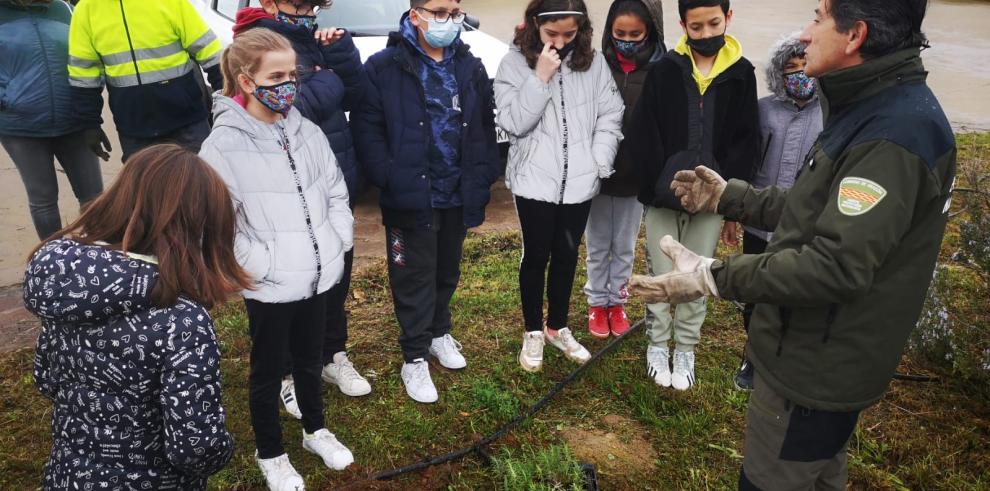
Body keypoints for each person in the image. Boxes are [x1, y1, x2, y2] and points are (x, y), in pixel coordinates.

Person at [629, 0, 954, 488]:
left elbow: (834, 267)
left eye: (819, 17)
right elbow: (819, 205)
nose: (804, 34)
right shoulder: (874, 107)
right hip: (818, 356)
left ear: (855, 36)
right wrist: (732, 196)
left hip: (814, 368)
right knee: (821, 474)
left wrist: (713, 276)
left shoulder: (892, 137)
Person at [25, 144, 249, 490]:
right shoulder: (182, 322)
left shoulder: (67, 285)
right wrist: (222, 450)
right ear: (197, 228)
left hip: (67, 475)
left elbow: (45, 377)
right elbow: (195, 448)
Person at [199, 29, 355, 489]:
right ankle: (271, 452)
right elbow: (219, 228)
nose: (289, 84)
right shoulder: (222, 147)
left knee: (310, 358)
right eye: (277, 76)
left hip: (317, 273)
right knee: (268, 370)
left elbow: (334, 188)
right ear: (246, 82)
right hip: (269, 283)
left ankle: (315, 429)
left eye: (293, 74)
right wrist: (262, 265)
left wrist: (336, 238)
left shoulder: (304, 128)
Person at [351, 0, 500, 404]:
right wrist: (387, 175)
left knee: (446, 269)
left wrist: (484, 171)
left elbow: (486, 122)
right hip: (411, 192)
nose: (448, 19)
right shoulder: (384, 67)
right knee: (413, 276)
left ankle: (438, 332)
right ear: (415, 14)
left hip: (457, 189)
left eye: (454, 11)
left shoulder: (469, 65)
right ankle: (413, 355)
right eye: (438, 10)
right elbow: (366, 126)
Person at [233, 0, 372, 417]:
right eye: (298, 3)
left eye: (315, 4)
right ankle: (287, 374)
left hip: (330, 183)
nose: (307, 10)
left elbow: (358, 93)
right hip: (282, 192)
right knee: (289, 289)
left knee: (335, 281)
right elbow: (289, 109)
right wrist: (327, 80)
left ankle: (333, 356)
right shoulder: (255, 42)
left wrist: (340, 56)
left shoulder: (315, 41)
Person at [626, 0, 759, 391]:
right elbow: (644, 131)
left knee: (698, 273)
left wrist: (732, 201)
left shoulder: (742, 74)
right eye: (696, 27)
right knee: (661, 269)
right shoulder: (664, 70)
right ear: (683, 24)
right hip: (663, 196)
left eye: (713, 24)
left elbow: (746, 140)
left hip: (712, 202)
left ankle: (684, 348)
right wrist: (653, 186)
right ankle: (656, 343)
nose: (705, 34)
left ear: (728, 19)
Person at [495, 0, 625, 373]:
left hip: (580, 181)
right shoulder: (513, 64)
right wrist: (539, 77)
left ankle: (558, 326)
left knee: (568, 255)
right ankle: (533, 330)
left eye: (570, 34)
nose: (562, 42)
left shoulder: (593, 61)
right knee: (536, 255)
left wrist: (598, 160)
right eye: (553, 34)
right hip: (534, 181)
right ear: (534, 24)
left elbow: (611, 114)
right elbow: (513, 122)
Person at [734, 32, 823, 391]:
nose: (800, 75)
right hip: (759, 224)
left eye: (806, 67)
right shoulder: (764, 110)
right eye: (791, 69)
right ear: (778, 74)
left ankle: (786, 359)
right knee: (756, 291)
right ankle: (753, 356)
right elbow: (749, 161)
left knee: (793, 291)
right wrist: (736, 213)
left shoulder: (831, 114)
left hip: (805, 225)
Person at [584, 0, 665, 340]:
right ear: (609, 32)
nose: (627, 40)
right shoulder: (594, 66)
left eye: (636, 34)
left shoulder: (663, 70)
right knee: (598, 243)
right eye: (620, 34)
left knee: (625, 244)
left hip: (636, 178)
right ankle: (596, 302)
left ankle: (616, 302)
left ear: (651, 31)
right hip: (598, 176)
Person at [67, 0, 224, 162]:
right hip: (134, 129)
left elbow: (209, 51)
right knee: (146, 187)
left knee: (202, 184)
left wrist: (226, 98)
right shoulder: (86, 10)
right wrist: (89, 123)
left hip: (187, 122)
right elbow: (83, 74)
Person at [1, 0, 104, 240]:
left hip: (74, 121)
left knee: (94, 198)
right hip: (21, 127)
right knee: (43, 200)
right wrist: (6, 99)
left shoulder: (63, 9)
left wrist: (90, 114)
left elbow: (88, 54)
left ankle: (100, 257)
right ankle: (52, 263)